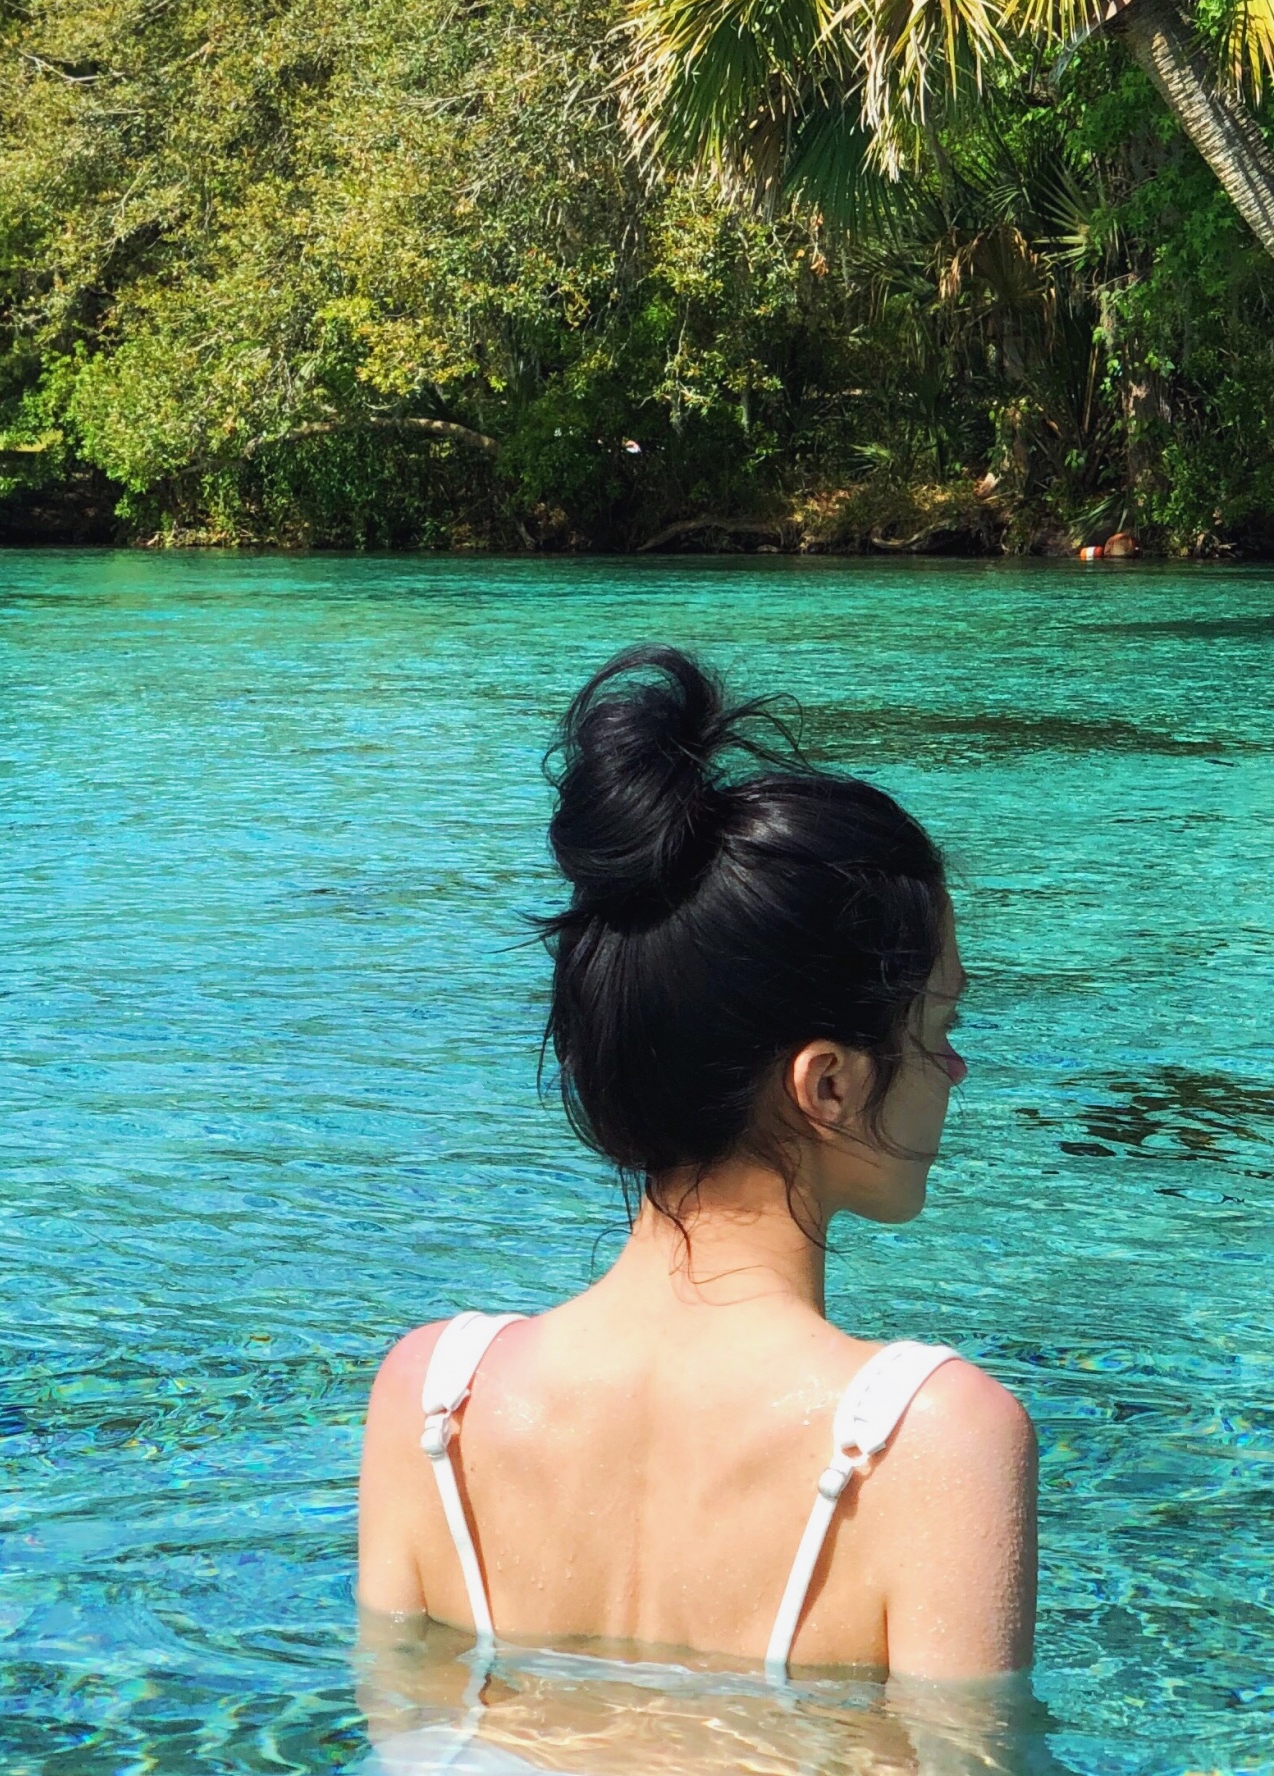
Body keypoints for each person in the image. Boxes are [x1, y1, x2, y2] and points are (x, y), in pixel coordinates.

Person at [358, 646, 1036, 1685]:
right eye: (941, 1026)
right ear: (828, 1084)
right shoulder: (933, 1439)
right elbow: (970, 1756)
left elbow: (400, 1723)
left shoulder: (430, 1401)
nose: (956, 1068)